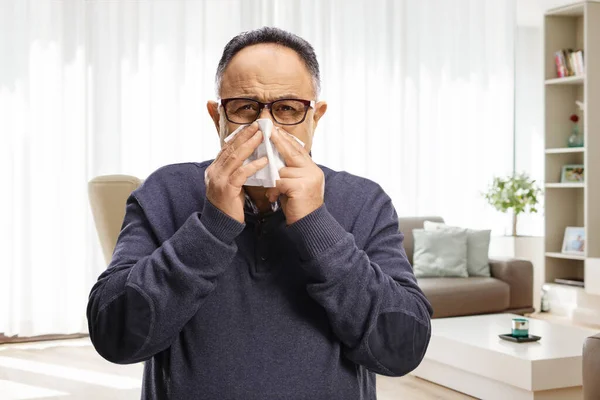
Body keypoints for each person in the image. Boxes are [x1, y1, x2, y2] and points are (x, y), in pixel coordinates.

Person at [87, 27, 432, 400]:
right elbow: (114, 335)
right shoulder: (165, 191)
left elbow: (402, 349)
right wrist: (212, 227)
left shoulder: (364, 200)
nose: (264, 127)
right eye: (245, 107)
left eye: (287, 109)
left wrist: (317, 226)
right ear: (217, 116)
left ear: (315, 117)